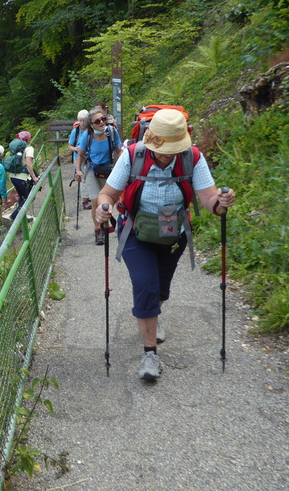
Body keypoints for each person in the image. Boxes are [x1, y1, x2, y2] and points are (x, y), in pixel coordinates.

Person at [94, 109, 236, 381]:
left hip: (174, 234)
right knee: (145, 285)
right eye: (163, 150)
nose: (168, 155)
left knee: (160, 288)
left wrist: (221, 202)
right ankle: (150, 355)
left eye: (174, 149)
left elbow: (209, 200)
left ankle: (153, 314)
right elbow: (107, 194)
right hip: (136, 230)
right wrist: (103, 209)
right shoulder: (133, 156)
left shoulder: (192, 157)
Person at [74, 109, 122, 245]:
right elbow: (81, 155)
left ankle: (105, 224)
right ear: (91, 125)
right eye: (97, 121)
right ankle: (98, 229)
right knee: (95, 201)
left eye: (103, 119)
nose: (101, 122)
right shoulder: (87, 135)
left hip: (108, 169)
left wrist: (120, 167)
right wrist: (78, 170)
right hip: (92, 169)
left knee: (107, 201)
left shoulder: (112, 132)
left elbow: (119, 150)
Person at [7, 131, 38, 221]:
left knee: (23, 197)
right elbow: (28, 163)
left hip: (13, 177)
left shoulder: (14, 148)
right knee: (29, 198)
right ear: (28, 140)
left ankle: (22, 218)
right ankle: (15, 215)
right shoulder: (29, 148)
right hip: (23, 178)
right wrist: (34, 177)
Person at [68, 109, 91, 210]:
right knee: (82, 178)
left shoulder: (91, 130)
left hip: (89, 158)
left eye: (84, 120)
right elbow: (70, 146)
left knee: (89, 177)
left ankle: (89, 197)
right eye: (80, 120)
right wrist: (76, 149)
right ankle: (85, 200)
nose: (82, 123)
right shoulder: (75, 131)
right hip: (78, 158)